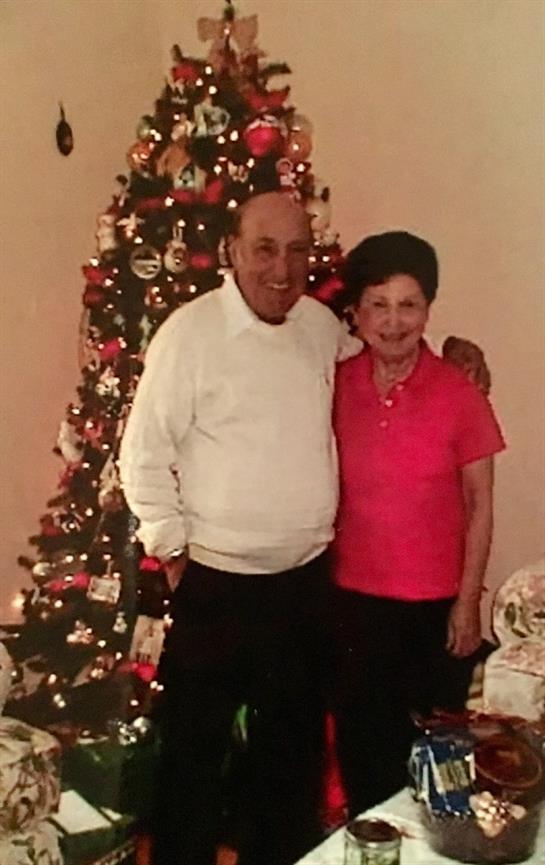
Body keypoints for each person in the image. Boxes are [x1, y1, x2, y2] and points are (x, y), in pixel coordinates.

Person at [119, 193, 489, 865]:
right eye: (265, 248)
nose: (282, 269)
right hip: (217, 581)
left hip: (303, 586)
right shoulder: (189, 334)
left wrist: (452, 352)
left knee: (286, 759)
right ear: (233, 249)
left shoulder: (319, 326)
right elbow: (140, 456)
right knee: (192, 758)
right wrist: (173, 552)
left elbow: (386, 341)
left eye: (297, 251)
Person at [331, 231, 505, 817]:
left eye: (409, 304)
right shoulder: (335, 385)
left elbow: (480, 506)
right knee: (364, 754)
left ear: (428, 308)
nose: (394, 320)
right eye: (378, 304)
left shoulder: (460, 393)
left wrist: (467, 605)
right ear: (355, 314)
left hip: (435, 609)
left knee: (439, 762)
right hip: (353, 603)